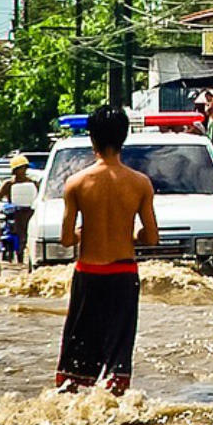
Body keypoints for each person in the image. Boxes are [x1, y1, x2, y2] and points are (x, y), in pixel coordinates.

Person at [54, 104, 158, 395]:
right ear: (123, 138)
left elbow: (65, 239)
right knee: (117, 360)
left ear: (92, 139)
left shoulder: (76, 183)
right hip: (123, 275)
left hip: (88, 274)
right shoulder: (140, 183)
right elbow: (151, 237)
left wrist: (84, 232)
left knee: (76, 361)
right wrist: (129, 234)